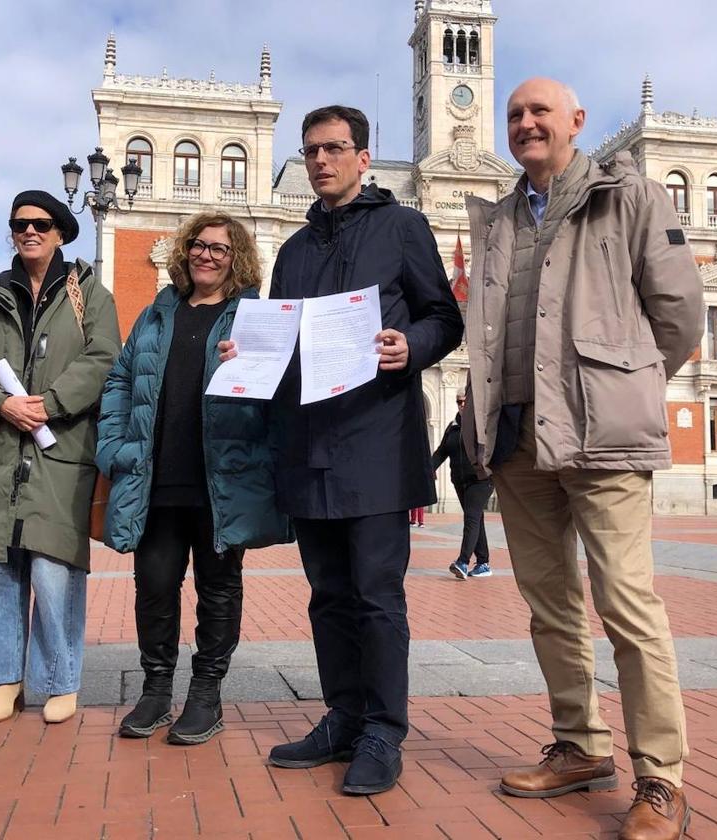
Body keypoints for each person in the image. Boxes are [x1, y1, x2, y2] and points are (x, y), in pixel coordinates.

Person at [462, 78, 703, 840]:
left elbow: (681, 313)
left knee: (628, 606)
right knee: (550, 606)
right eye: (515, 116)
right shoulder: (498, 219)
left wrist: (624, 382)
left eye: (540, 112)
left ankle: (660, 780)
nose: (526, 123)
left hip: (604, 436)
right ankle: (579, 746)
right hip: (518, 438)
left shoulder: (626, 197)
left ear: (576, 122)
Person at [223, 105, 462, 795]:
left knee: (377, 597)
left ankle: (384, 732)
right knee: (327, 595)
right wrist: (248, 355)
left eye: (334, 148)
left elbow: (444, 317)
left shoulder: (403, 227)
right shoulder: (294, 250)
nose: (321, 161)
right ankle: (343, 717)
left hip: (378, 444)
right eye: (311, 151)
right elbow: (278, 335)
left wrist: (409, 345)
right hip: (309, 444)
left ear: (363, 156)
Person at [96, 211, 290, 745]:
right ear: (185, 252)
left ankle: (206, 694)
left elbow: (282, 385)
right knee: (154, 585)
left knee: (218, 588)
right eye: (199, 246)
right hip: (155, 477)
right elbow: (119, 377)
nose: (206, 255)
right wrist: (114, 445)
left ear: (238, 259)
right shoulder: (159, 313)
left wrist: (254, 362)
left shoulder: (254, 316)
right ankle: (156, 690)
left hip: (221, 479)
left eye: (220, 249)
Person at [0, 190, 120, 725]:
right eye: (20, 224)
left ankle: (59, 681)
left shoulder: (89, 293)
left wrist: (49, 404)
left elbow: (102, 357)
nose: (30, 231)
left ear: (61, 233)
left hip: (59, 451)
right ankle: (5, 681)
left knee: (53, 569)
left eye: (42, 224)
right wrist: (2, 403)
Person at [431, 389, 493, 579]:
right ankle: (483, 563)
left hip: (481, 480)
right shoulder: (453, 426)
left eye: (466, 401)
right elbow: (442, 451)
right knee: (476, 518)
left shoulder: (482, 425)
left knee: (471, 518)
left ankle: (463, 562)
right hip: (460, 480)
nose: (462, 405)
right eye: (459, 402)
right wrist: (427, 469)